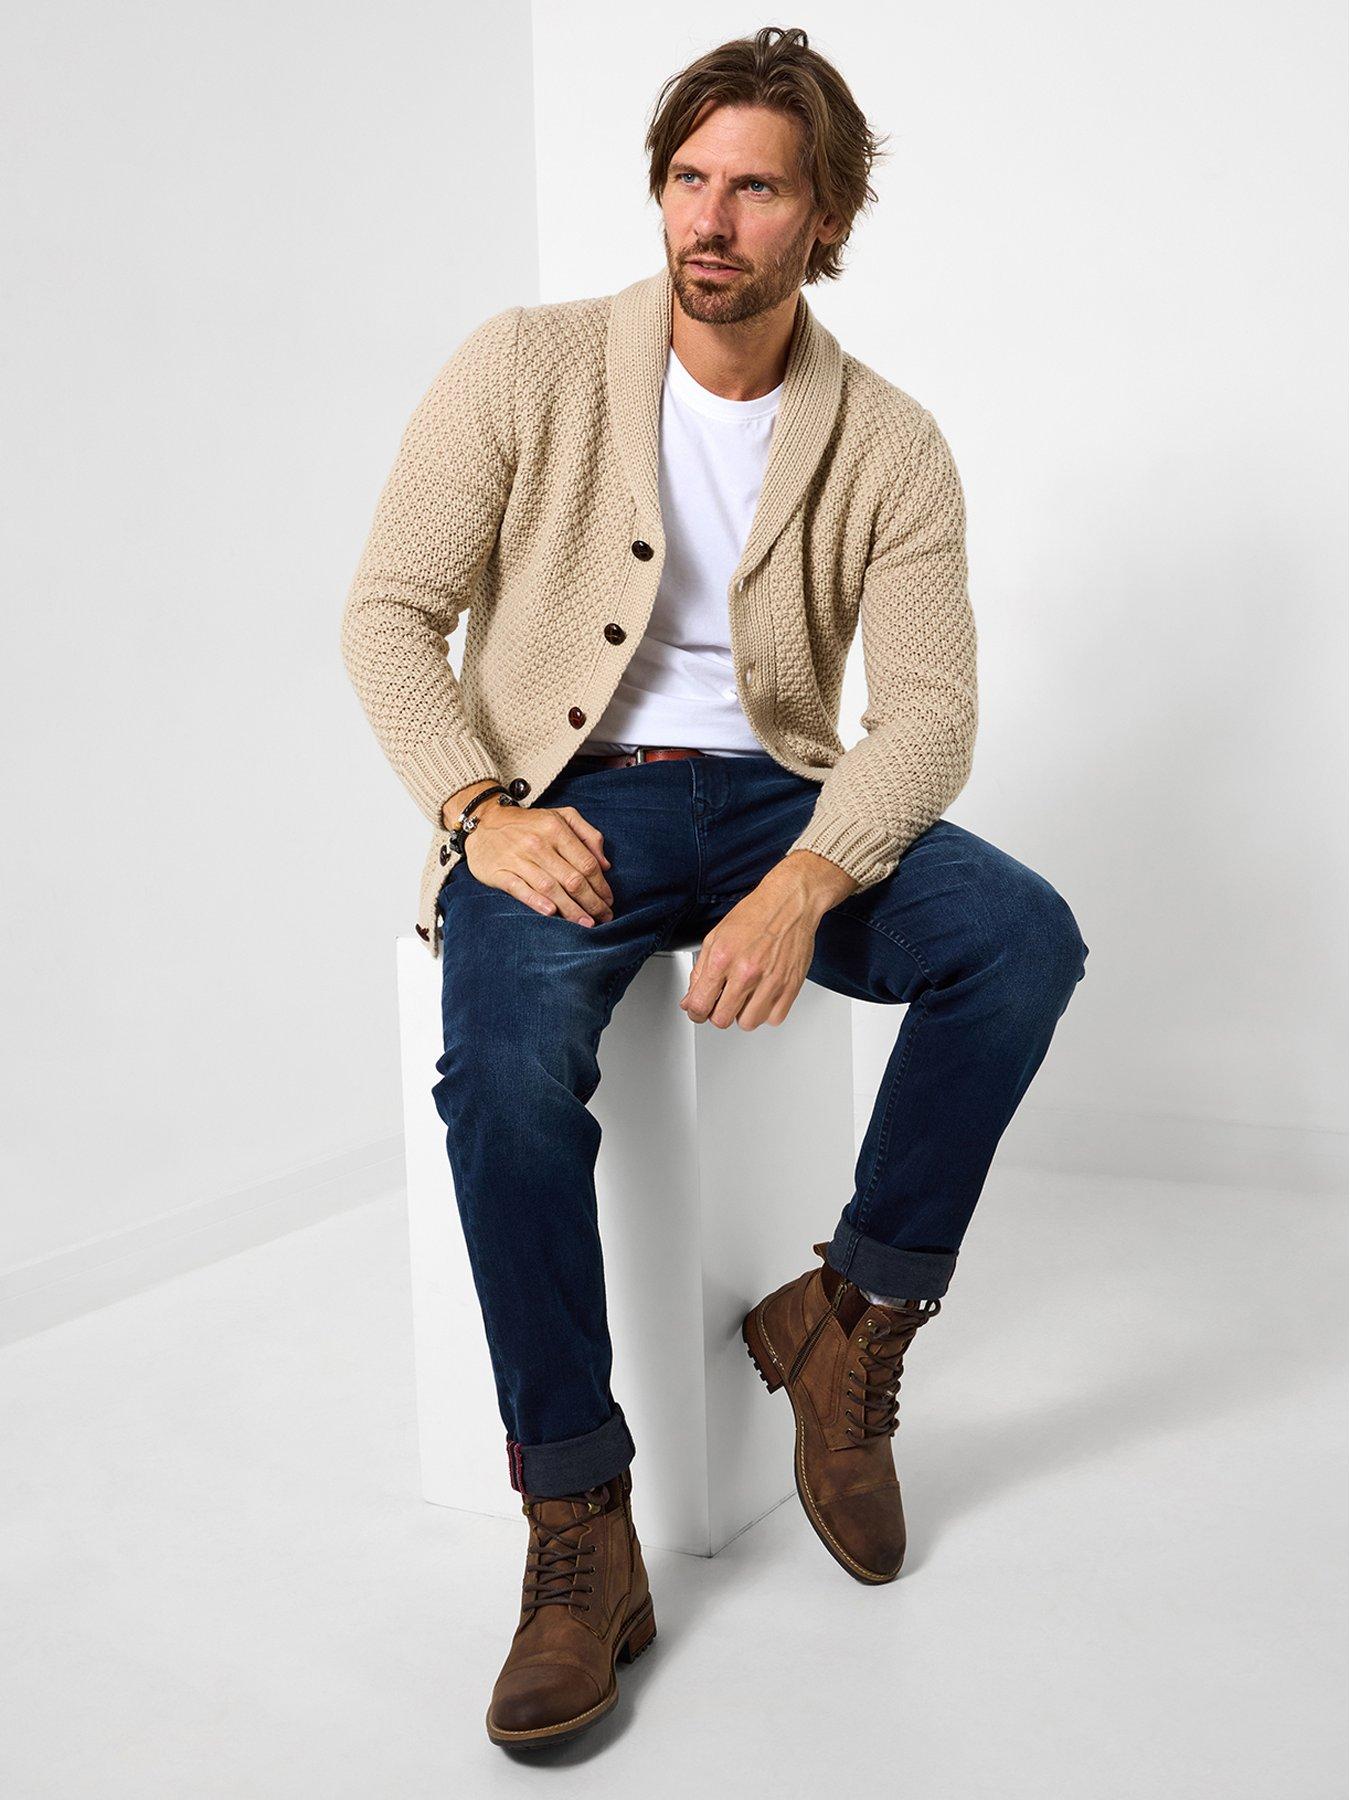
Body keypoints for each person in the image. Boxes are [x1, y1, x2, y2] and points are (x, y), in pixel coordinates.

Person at [341, 23, 1088, 1751]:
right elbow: (387, 614)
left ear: (824, 217)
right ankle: (578, 1527)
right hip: (559, 802)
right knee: (502, 1076)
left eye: (755, 188)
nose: (710, 218)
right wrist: (475, 807)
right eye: (688, 178)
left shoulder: (888, 442)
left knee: (1017, 940)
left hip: (774, 801)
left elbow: (932, 714)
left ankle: (852, 1320)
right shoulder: (524, 366)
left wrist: (811, 875)